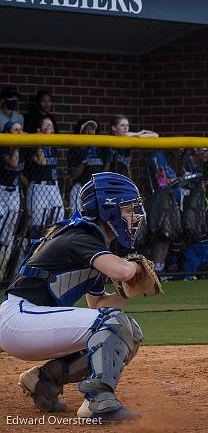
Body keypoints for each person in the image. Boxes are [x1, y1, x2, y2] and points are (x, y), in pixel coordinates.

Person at [0, 172, 145, 422]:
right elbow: (121, 270)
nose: (133, 217)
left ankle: (43, 381)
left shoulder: (96, 245)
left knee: (129, 330)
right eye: (127, 209)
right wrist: (137, 268)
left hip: (30, 322)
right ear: (108, 209)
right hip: (18, 318)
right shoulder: (81, 234)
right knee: (113, 323)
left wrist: (126, 290)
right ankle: (98, 403)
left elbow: (98, 305)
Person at [25, 116, 64, 237]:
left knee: (58, 218)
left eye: (52, 127)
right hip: (38, 186)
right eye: (47, 126)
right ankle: (34, 251)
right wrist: (38, 140)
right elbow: (42, 161)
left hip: (54, 186)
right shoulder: (32, 146)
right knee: (37, 223)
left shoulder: (53, 146)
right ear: (39, 130)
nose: (50, 128)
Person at [68, 118, 104, 214]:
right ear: (81, 131)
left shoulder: (100, 149)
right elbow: (73, 175)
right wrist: (84, 161)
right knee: (79, 220)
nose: (90, 132)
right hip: (80, 188)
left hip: (97, 189)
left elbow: (104, 171)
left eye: (92, 129)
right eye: (86, 129)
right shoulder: (75, 150)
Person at [0, 121, 27, 249]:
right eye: (15, 130)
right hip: (1, 191)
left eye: (20, 130)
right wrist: (16, 147)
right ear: (7, 133)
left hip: (14, 192)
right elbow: (13, 163)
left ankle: (4, 260)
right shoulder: (3, 146)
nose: (19, 133)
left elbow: (19, 171)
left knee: (9, 229)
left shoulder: (23, 149)